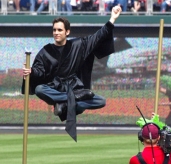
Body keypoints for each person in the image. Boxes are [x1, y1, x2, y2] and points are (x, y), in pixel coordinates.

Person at [22, 5, 122, 141]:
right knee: (40, 89)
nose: (56, 32)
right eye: (54, 30)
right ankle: (70, 100)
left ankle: (65, 104)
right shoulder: (46, 51)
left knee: (101, 101)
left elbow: (98, 37)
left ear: (67, 32)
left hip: (74, 87)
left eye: (59, 30)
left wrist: (112, 19)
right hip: (55, 88)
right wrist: (32, 71)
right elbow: (40, 72)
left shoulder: (78, 45)